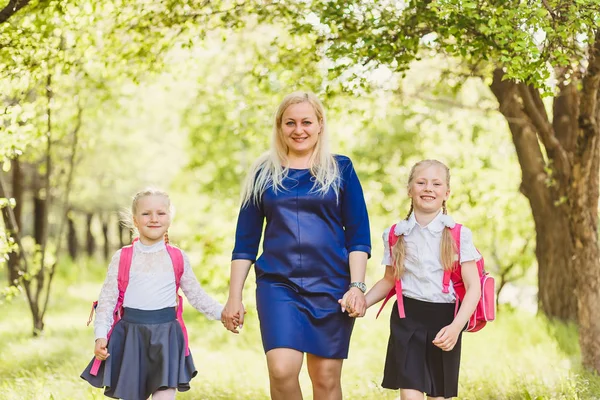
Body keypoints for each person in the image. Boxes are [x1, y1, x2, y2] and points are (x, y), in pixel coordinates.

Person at [221, 91, 371, 400]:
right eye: (290, 122)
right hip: (279, 286)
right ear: (279, 127)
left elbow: (358, 234)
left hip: (331, 286)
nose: (298, 130)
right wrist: (234, 297)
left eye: (306, 122)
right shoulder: (263, 173)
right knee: (281, 369)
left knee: (326, 378)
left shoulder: (340, 169)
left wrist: (356, 286)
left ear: (320, 125)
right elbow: (245, 242)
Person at [81, 188, 226, 400]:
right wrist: (100, 335)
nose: (154, 219)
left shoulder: (177, 257)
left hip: (166, 338)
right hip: (131, 338)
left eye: (161, 213)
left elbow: (197, 295)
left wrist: (223, 313)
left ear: (170, 217)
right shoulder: (123, 257)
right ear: (135, 220)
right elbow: (107, 301)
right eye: (146, 214)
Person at [363, 159, 481, 400]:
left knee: (438, 396)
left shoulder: (459, 235)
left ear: (446, 193)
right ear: (410, 189)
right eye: (421, 182)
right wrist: (363, 302)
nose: (429, 188)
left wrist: (456, 327)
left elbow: (474, 288)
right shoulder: (396, 234)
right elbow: (389, 280)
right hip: (408, 321)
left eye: (436, 184)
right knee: (409, 396)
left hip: (445, 321)